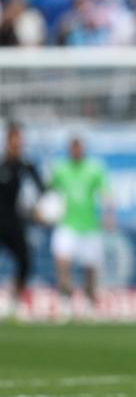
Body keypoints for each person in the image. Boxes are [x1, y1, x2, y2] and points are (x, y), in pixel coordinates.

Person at [50, 136, 113, 321]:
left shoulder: (94, 169)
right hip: (67, 224)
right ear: (69, 149)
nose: (76, 151)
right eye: (73, 147)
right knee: (62, 260)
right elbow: (50, 193)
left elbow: (105, 192)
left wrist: (108, 214)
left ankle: (89, 302)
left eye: (79, 147)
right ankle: (65, 301)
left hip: (89, 225)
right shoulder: (60, 169)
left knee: (90, 268)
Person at [0, 122, 45, 321]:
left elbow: (42, 188)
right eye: (13, 140)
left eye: (19, 141)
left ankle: (15, 301)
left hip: (13, 221)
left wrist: (39, 208)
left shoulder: (25, 166)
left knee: (25, 260)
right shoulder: (2, 165)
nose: (16, 145)